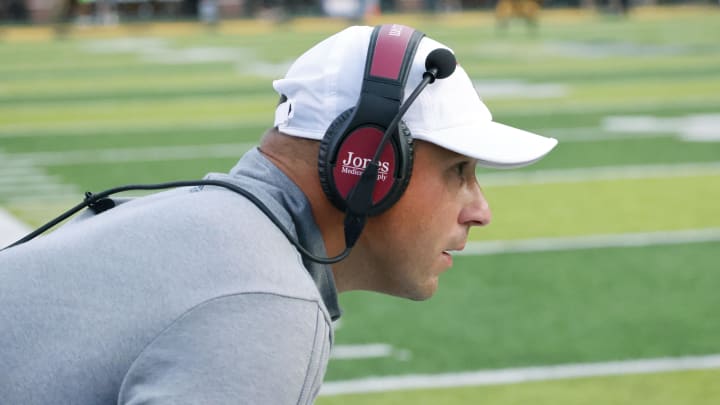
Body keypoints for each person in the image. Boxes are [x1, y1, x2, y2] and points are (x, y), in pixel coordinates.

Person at [0, 24, 557, 404]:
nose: (480, 210)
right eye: (459, 171)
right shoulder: (265, 304)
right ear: (369, 164)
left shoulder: (209, 229)